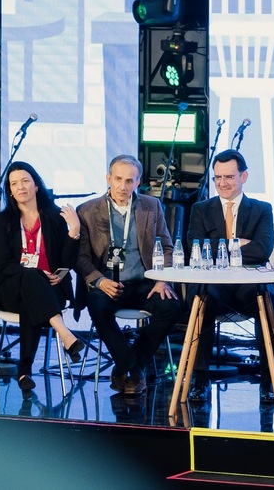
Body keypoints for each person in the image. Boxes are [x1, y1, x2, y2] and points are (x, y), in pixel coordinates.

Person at [76, 155, 181, 395]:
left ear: (138, 182)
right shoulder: (88, 210)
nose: (123, 186)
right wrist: (100, 281)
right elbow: (81, 258)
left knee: (171, 308)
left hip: (145, 283)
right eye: (118, 179)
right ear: (108, 178)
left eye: (129, 181)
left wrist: (162, 279)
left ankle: (131, 366)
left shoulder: (151, 206)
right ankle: (133, 368)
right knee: (96, 304)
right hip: (108, 284)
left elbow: (167, 248)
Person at [186, 149, 274, 404]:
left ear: (243, 176)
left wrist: (217, 247)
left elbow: (261, 250)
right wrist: (238, 243)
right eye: (218, 177)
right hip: (216, 286)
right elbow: (195, 249)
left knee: (265, 296)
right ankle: (199, 379)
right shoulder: (201, 209)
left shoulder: (261, 209)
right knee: (202, 296)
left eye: (229, 177)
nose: (222, 183)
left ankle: (268, 379)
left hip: (249, 286)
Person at [0, 161, 85, 392]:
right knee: (31, 278)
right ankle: (65, 334)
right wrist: (36, 273)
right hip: (10, 289)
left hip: (50, 289)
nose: (20, 187)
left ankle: (24, 372)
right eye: (14, 184)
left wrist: (74, 231)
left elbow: (67, 262)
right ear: (10, 191)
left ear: (36, 186)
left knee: (31, 300)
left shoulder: (54, 217)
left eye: (25, 181)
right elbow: (4, 264)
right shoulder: (2, 221)